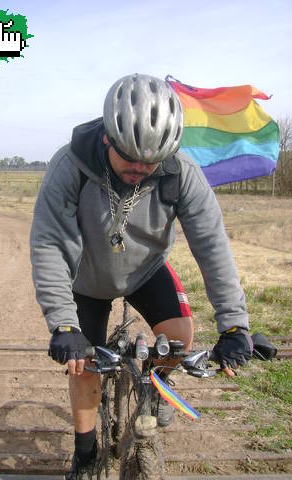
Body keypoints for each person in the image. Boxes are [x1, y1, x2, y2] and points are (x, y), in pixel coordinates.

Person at [30, 73, 253, 480]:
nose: (140, 167)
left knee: (180, 336)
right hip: (86, 278)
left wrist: (235, 324)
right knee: (85, 365)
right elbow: (49, 244)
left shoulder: (181, 172)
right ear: (107, 140)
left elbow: (212, 245)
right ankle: (85, 453)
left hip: (147, 269)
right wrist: (63, 322)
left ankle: (157, 388)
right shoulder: (70, 165)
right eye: (130, 156)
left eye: (151, 161)